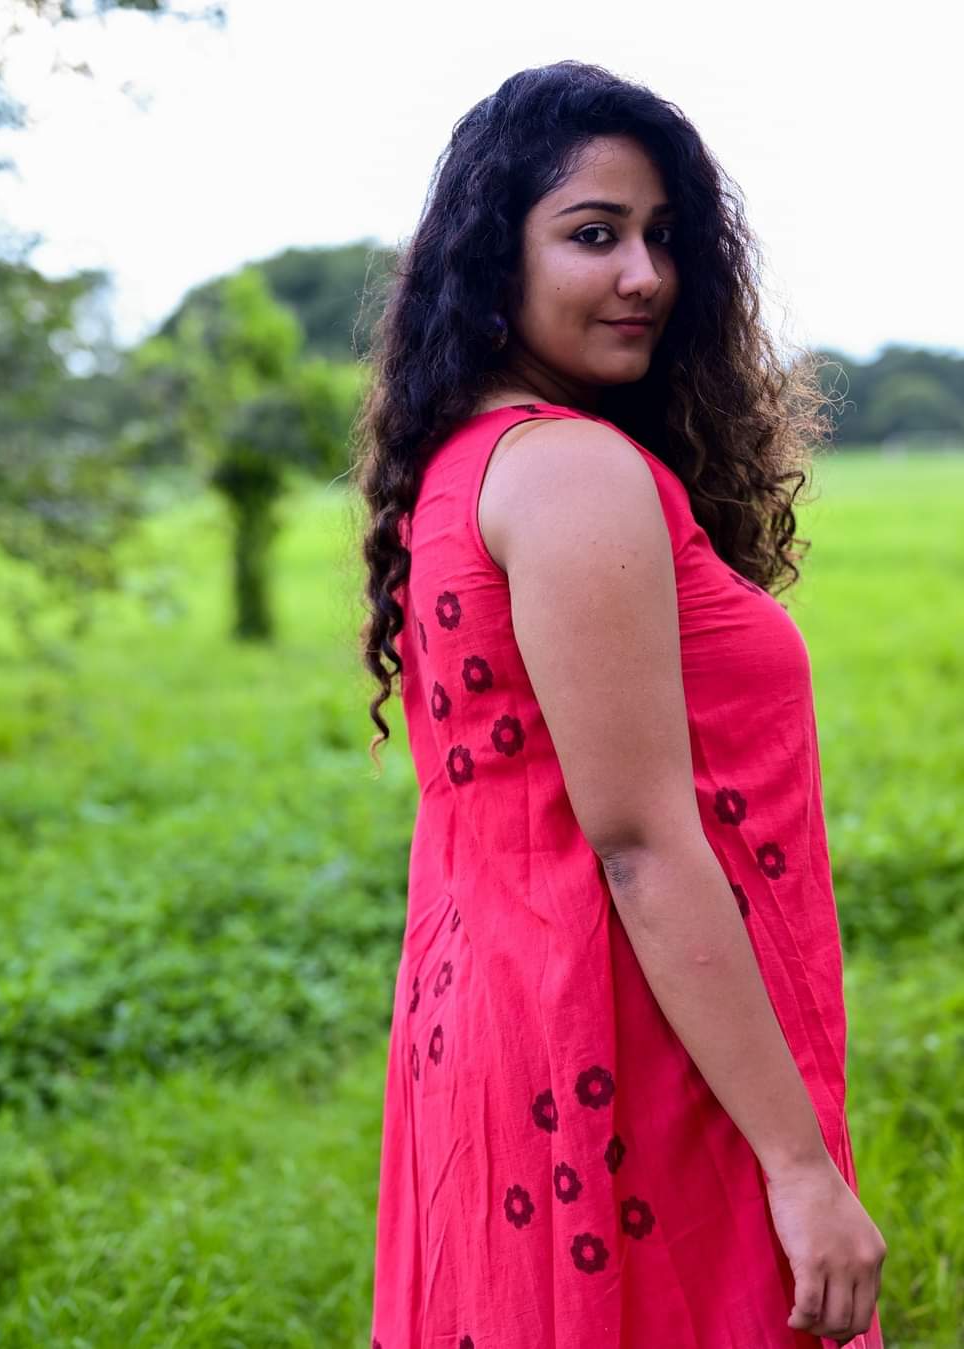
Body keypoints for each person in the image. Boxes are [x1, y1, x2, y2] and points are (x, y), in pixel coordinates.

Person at [350, 59, 887, 1348]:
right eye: (593, 235)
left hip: (513, 1025)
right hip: (630, 1044)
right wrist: (800, 1167)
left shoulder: (469, 464)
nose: (644, 274)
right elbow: (639, 844)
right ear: (497, 257)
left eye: (661, 236)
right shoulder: (572, 473)